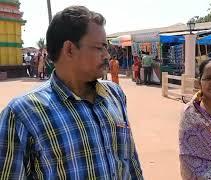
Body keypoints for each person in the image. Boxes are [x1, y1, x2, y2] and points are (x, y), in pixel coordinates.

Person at [0, 6, 143, 179]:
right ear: (69, 49)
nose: (107, 55)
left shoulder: (114, 95)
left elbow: (131, 165)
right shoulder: (22, 113)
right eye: (100, 47)